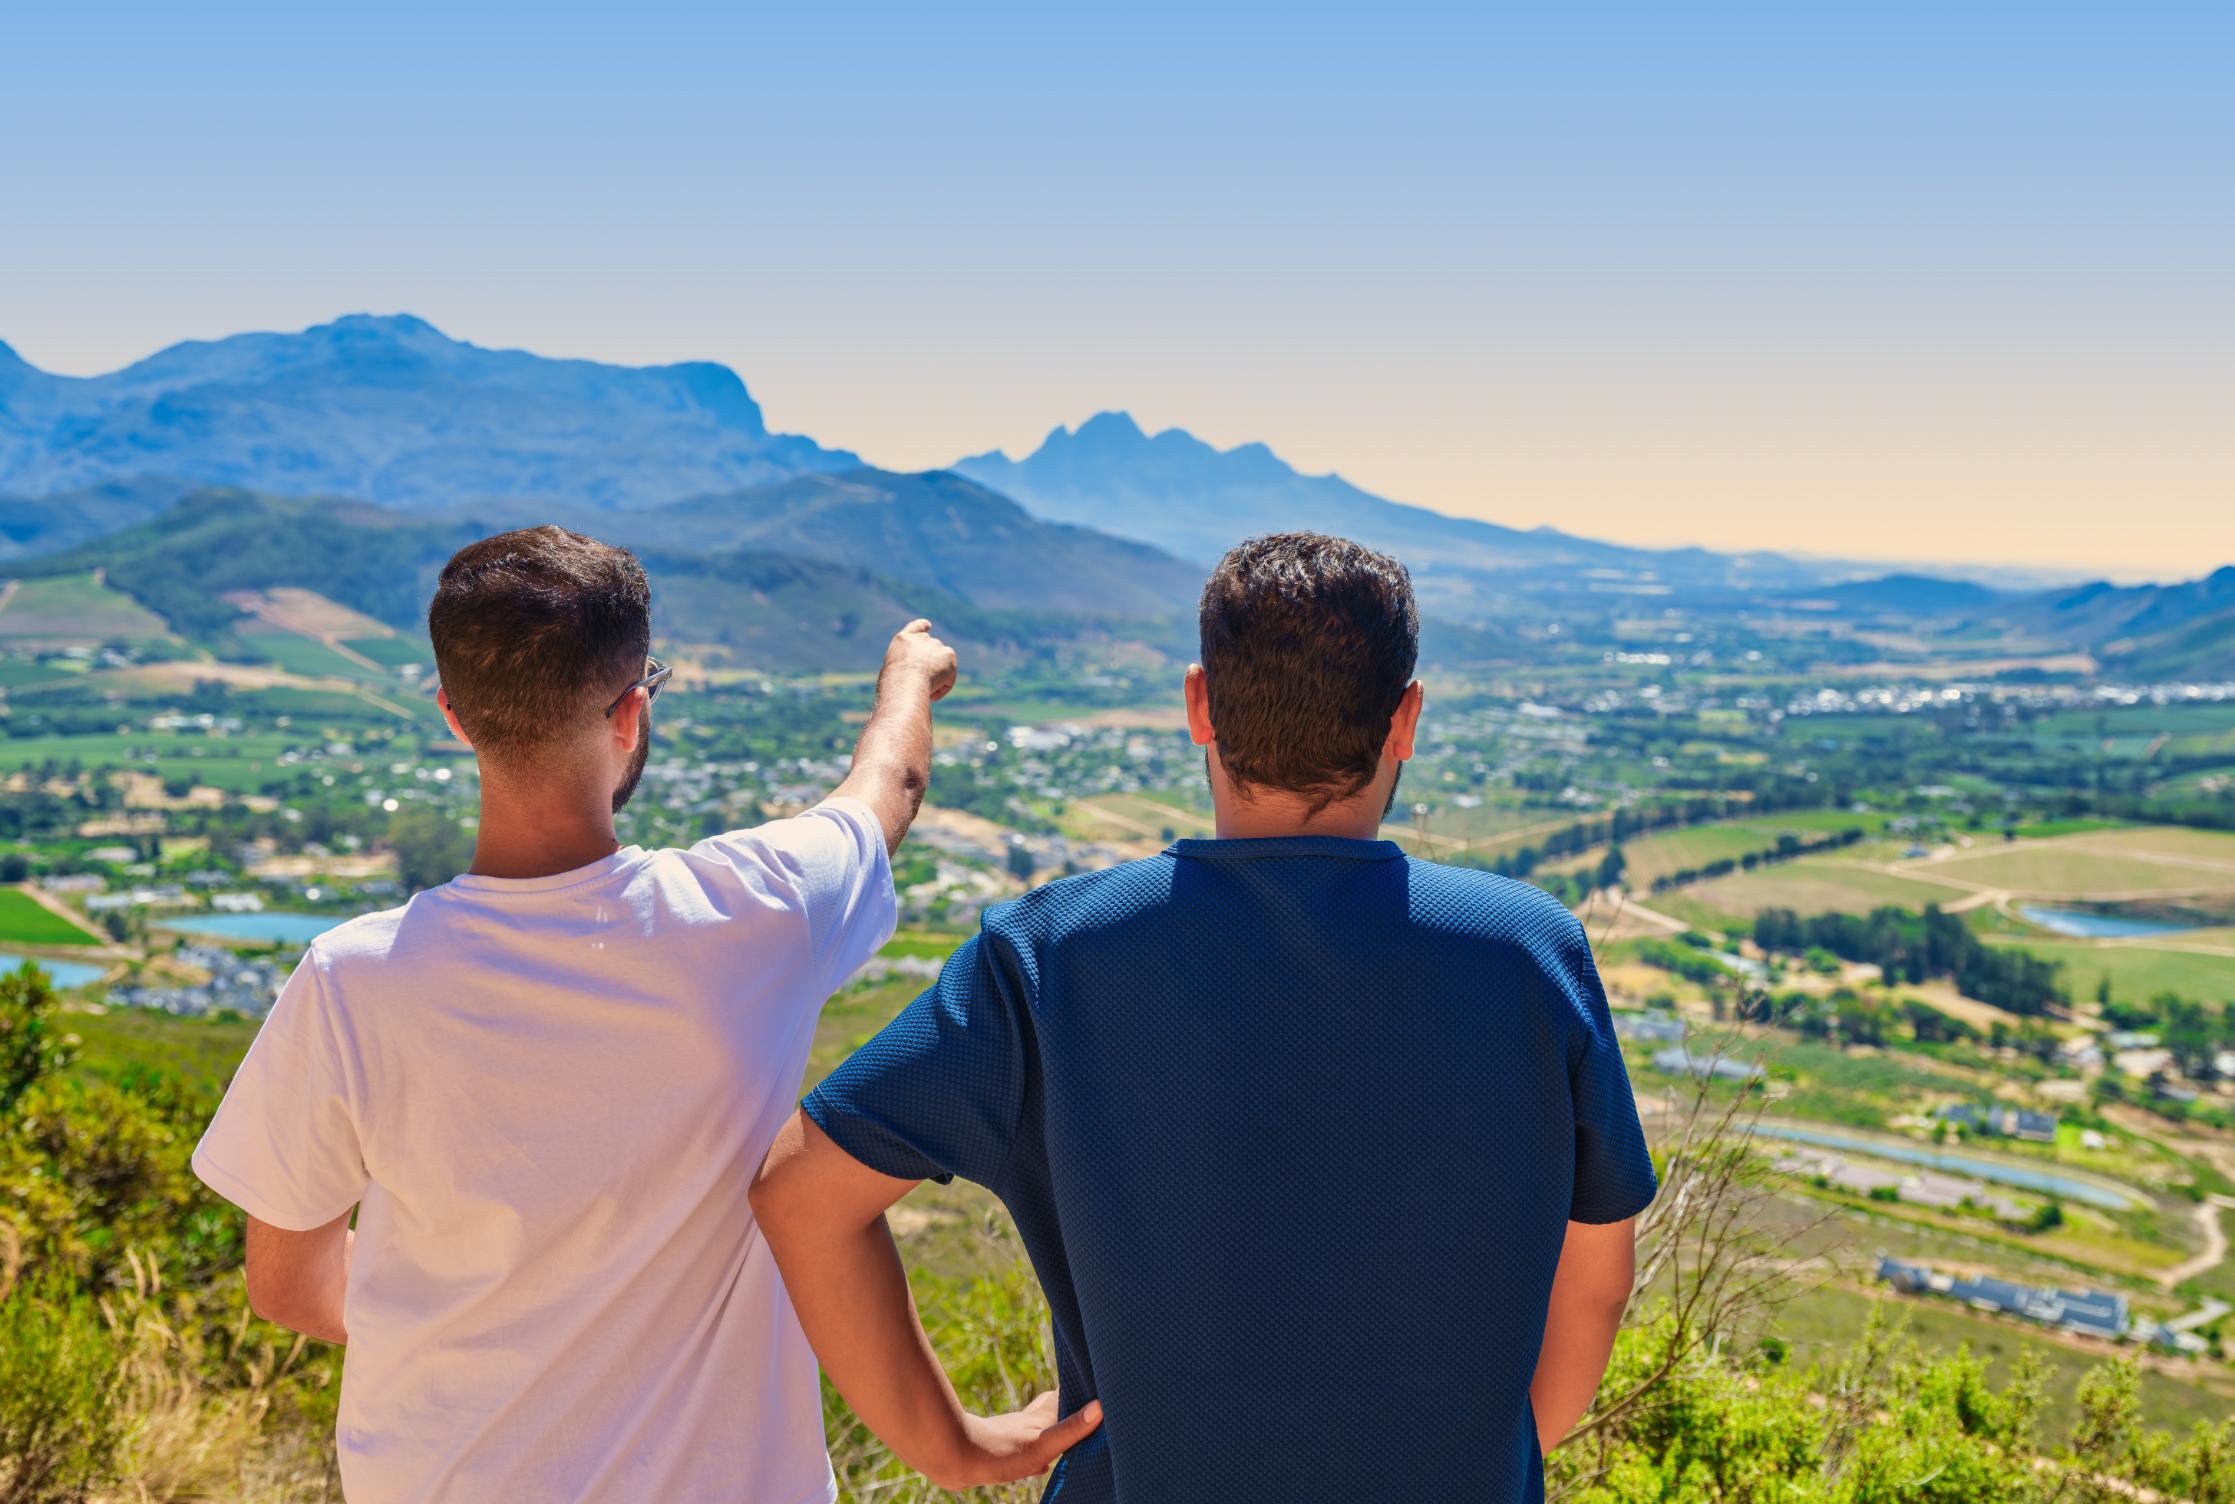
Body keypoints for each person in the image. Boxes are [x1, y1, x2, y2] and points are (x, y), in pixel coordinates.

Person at [753, 532, 1657, 1503]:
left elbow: (803, 1193)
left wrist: (953, 1448)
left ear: (1199, 706)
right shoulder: (1526, 953)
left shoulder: (1051, 958)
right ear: (1405, 720)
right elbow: (1597, 1280)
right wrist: (1491, 1456)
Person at [190, 525, 1001, 1503]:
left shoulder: (350, 980)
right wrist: (909, 672)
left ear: (454, 715)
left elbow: (289, 1285)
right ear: (630, 711)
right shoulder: (749, 917)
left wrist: (477, 1309)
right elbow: (889, 789)